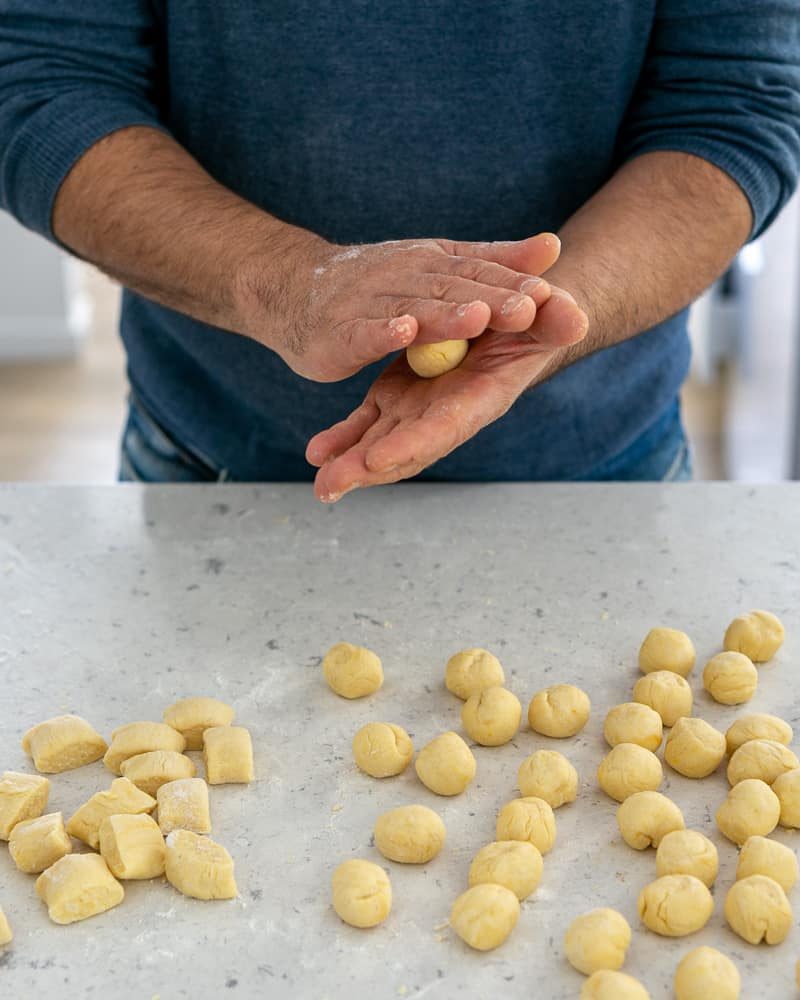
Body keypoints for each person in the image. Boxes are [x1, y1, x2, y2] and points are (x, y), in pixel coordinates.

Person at [1, 3, 798, 500]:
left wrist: (549, 318)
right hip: (217, 460)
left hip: (602, 462)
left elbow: (735, 106)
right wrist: (285, 283)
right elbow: (41, 83)